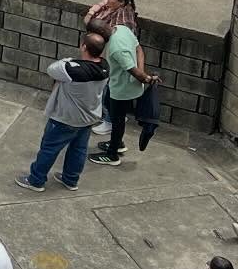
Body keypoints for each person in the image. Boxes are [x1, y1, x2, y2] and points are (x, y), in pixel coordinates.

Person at [15, 32, 111, 192]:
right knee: (78, 150)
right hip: (88, 118)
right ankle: (71, 180)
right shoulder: (105, 67)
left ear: (84, 47)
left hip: (65, 118)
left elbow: (52, 69)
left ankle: (36, 180)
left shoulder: (71, 69)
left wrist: (69, 60)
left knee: (49, 149)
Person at [89, 18, 161, 166]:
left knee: (117, 120)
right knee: (109, 106)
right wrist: (142, 71)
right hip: (119, 84)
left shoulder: (117, 48)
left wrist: (145, 77)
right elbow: (139, 49)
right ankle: (116, 142)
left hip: (122, 89)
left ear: (101, 33)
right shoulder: (122, 29)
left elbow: (133, 71)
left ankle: (112, 154)